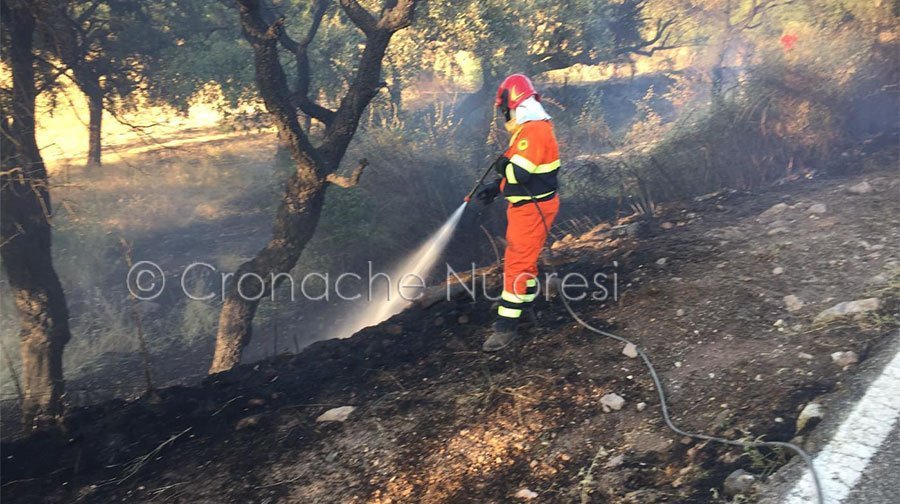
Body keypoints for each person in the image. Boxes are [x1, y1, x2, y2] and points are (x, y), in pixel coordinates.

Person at [477, 74, 561, 352]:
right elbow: (525, 172)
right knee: (523, 261)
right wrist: (496, 187)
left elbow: (520, 172)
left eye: (505, 109)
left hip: (532, 210)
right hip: (527, 206)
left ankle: (505, 327)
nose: (504, 115)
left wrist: (502, 169)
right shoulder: (530, 130)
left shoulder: (534, 131)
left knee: (517, 264)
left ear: (512, 105)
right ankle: (521, 302)